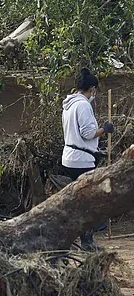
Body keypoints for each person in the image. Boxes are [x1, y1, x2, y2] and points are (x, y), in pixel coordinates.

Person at [61, 67, 114, 251]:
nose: (95, 94)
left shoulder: (68, 104)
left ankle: (81, 238)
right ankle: (87, 241)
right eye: (95, 91)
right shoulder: (82, 105)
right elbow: (87, 133)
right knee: (89, 201)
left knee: (81, 200)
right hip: (81, 160)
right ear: (91, 89)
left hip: (70, 158)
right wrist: (104, 130)